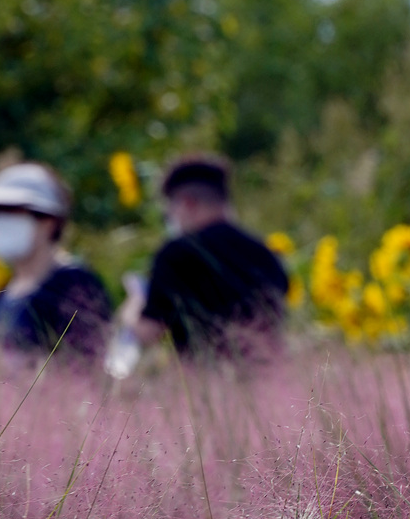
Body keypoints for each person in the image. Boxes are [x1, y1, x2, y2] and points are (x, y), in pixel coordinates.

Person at [114, 154, 287, 366]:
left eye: (170, 212)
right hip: (269, 378)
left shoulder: (177, 254)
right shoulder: (265, 253)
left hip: (206, 380)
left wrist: (134, 303)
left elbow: (148, 332)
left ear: (187, 203)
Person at [0, 162, 112, 361]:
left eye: (13, 211)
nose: (2, 221)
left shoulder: (74, 286)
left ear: (49, 221)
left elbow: (84, 364)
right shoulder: (3, 295)